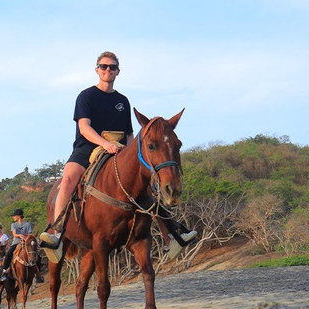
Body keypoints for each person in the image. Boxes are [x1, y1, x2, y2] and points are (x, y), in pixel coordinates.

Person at [39, 51, 196, 263]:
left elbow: (130, 135)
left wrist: (132, 154)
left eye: (112, 67)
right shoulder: (86, 96)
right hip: (88, 148)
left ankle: (173, 235)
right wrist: (104, 143)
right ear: (97, 70)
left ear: (118, 71)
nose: (108, 70)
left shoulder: (122, 100)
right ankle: (56, 233)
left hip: (120, 149)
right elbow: (84, 127)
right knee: (67, 179)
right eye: (104, 66)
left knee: (148, 184)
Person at [2, 208, 44, 283]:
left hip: (26, 243)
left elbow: (30, 234)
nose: (13, 217)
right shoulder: (14, 225)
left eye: (14, 216)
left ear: (18, 216)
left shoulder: (28, 224)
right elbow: (14, 234)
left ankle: (39, 274)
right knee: (8, 254)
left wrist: (26, 237)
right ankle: (4, 272)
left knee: (37, 256)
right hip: (16, 243)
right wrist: (20, 235)